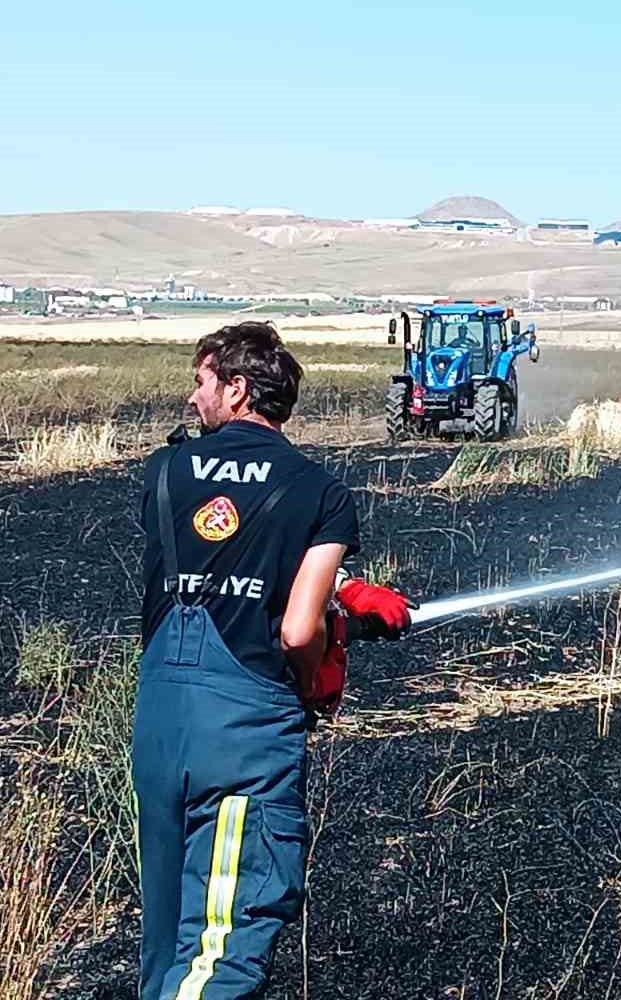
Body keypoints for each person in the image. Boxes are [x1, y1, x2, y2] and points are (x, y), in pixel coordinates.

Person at [132, 322, 412, 1000]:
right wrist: (336, 630)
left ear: (236, 388)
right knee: (222, 946)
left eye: (201, 382)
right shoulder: (318, 491)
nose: (193, 398)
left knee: (165, 939)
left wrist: (340, 596)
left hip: (161, 724)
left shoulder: (165, 471)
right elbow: (294, 630)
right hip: (244, 736)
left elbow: (214, 559)